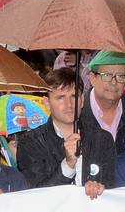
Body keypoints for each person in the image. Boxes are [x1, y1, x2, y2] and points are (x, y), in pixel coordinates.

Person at [17, 67, 112, 199]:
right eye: (60, 97)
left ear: (82, 100)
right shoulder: (30, 142)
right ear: (47, 103)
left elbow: (113, 187)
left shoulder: (102, 139)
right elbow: (36, 195)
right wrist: (68, 165)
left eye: (74, 96)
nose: (69, 104)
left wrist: (100, 188)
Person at [84, 58, 125, 153]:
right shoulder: (75, 113)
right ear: (92, 78)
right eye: (106, 75)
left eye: (120, 76)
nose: (114, 82)